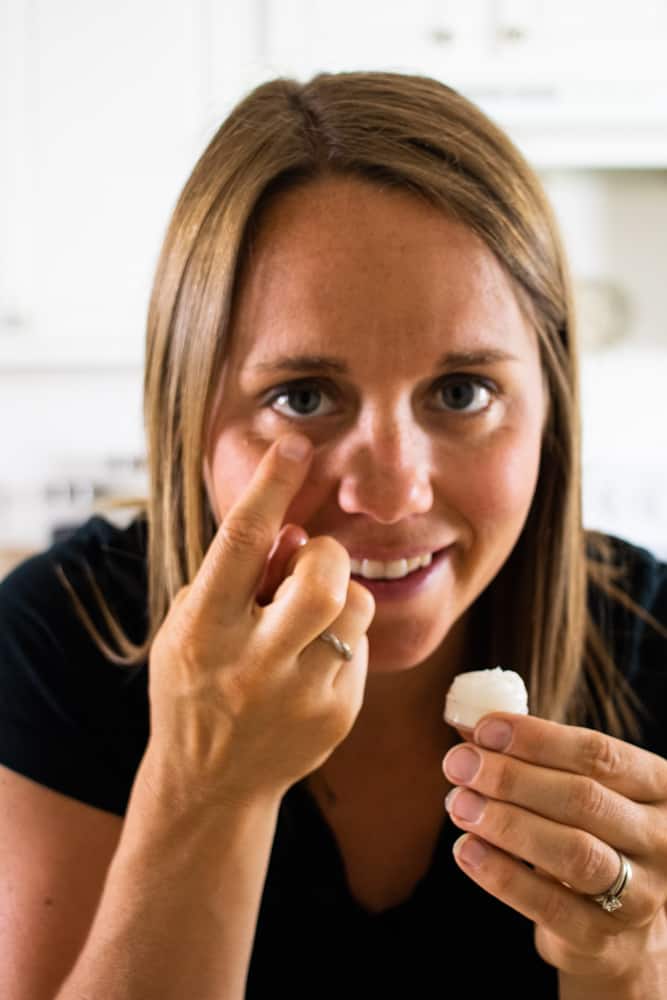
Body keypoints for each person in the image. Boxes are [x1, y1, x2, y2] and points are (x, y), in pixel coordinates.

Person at [1, 70, 666, 1000]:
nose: (391, 494)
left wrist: (627, 963)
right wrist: (206, 792)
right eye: (302, 398)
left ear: (550, 405)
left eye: (462, 391)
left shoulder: (650, 637)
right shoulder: (57, 636)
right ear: (186, 412)